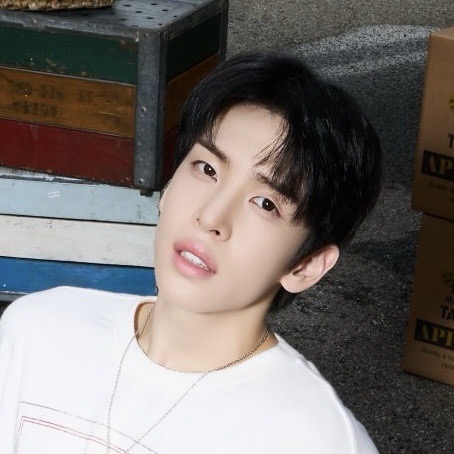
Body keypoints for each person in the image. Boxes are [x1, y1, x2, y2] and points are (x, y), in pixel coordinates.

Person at [0, 52, 382, 453]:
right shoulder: (37, 332)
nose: (211, 216)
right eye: (207, 169)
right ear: (168, 186)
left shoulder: (315, 439)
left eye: (265, 203)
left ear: (307, 266)